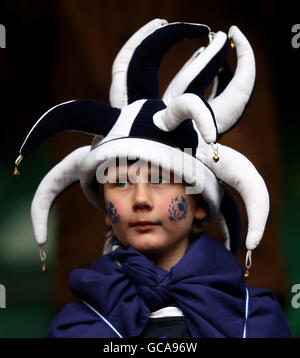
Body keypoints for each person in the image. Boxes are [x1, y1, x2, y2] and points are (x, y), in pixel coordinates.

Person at [14, 19, 292, 338]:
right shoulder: (77, 325)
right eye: (120, 182)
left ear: (200, 202)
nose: (141, 199)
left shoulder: (254, 320)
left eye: (160, 180)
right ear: (105, 208)